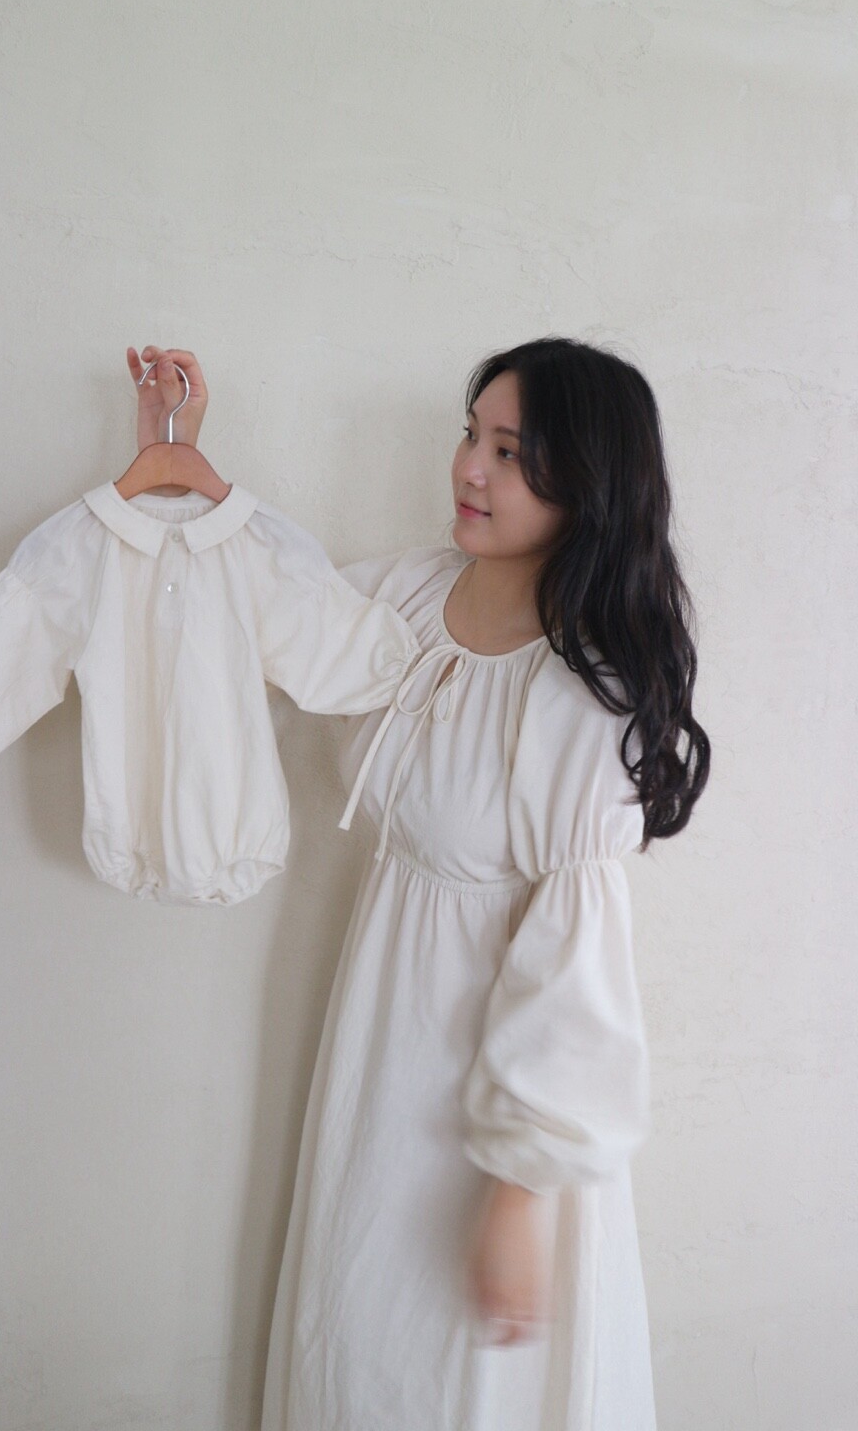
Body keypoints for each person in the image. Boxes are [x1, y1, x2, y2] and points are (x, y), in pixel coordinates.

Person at [126, 338, 710, 1430]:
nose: (469, 469)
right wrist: (187, 469)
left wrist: (522, 1194)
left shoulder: (579, 697)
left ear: (586, 483)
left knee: (466, 1385)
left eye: (510, 452)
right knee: (359, 1348)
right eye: (471, 435)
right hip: (381, 1058)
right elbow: (278, 613)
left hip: (490, 1113)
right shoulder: (412, 594)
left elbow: (579, 978)